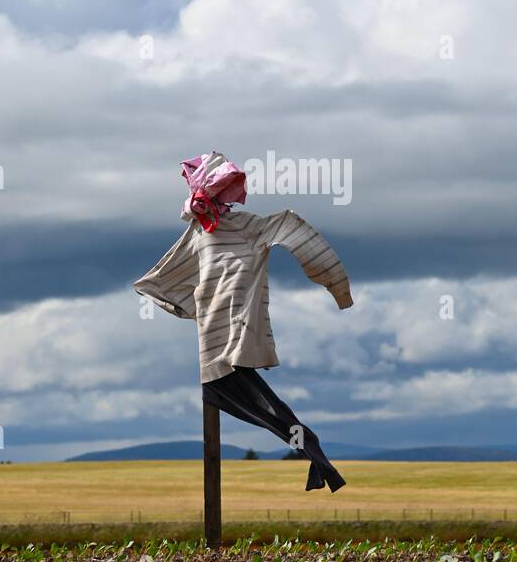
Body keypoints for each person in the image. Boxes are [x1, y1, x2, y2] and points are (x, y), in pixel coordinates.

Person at [134, 151, 353, 492]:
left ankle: (313, 453)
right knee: (262, 410)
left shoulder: (253, 228)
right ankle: (314, 454)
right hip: (210, 344)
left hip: (239, 336)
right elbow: (167, 275)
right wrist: (164, 297)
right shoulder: (199, 234)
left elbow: (303, 238)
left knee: (270, 411)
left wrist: (340, 292)